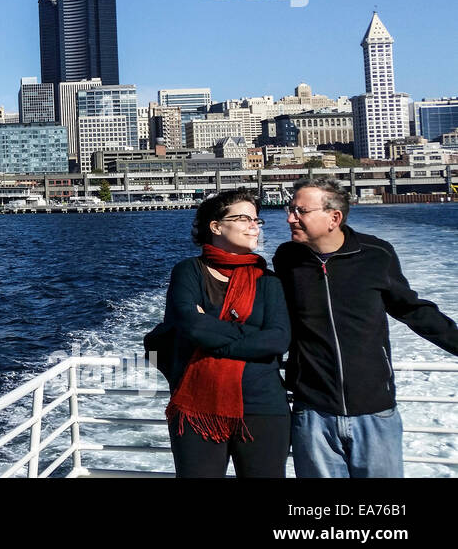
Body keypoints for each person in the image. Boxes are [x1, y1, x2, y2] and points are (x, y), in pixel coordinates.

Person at [273, 177, 458, 478]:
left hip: (375, 410)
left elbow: (412, 309)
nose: (290, 217)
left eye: (300, 211)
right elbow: (276, 319)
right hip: (313, 412)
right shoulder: (286, 259)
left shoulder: (376, 254)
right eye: (290, 209)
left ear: (334, 217)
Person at [161, 188, 291, 477]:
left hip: (263, 406)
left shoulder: (268, 281)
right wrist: (248, 336)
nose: (253, 226)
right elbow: (193, 327)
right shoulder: (188, 271)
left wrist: (212, 337)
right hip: (198, 406)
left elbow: (278, 339)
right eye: (244, 218)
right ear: (216, 226)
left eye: (257, 220)